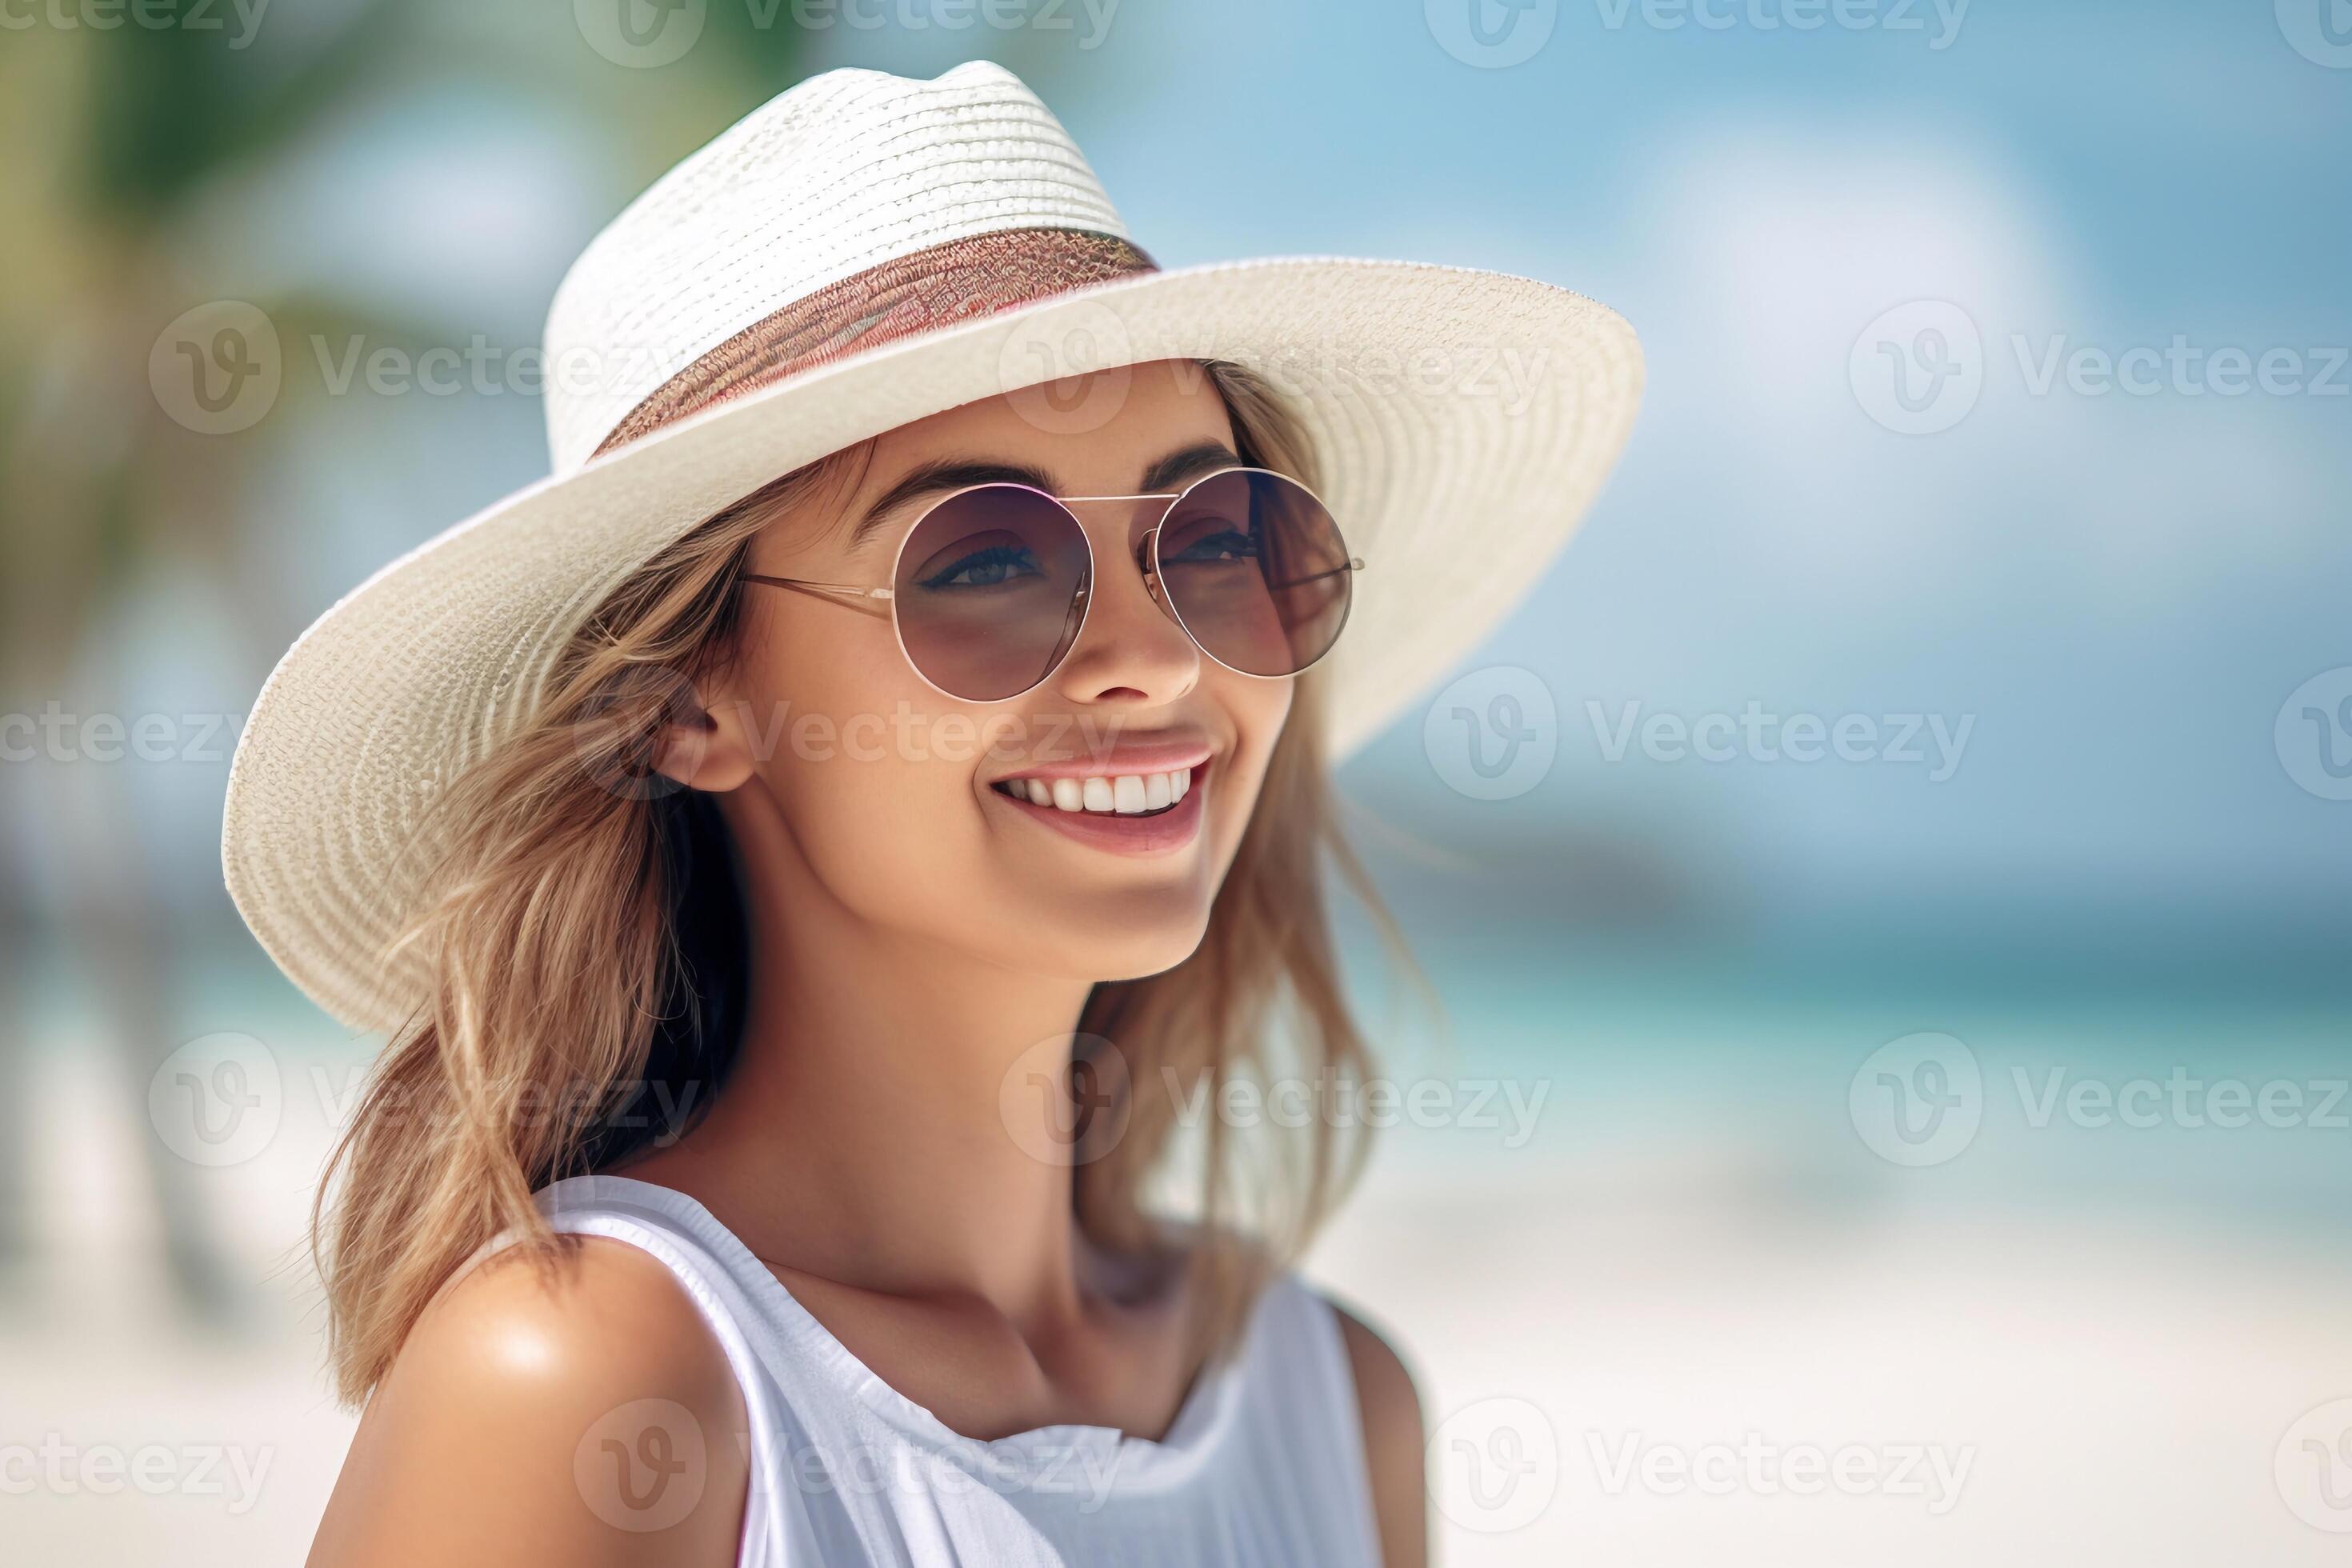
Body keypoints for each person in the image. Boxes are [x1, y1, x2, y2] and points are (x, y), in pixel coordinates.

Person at [222, 60, 1641, 1566]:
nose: (1158, 655)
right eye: (982, 563)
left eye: (1214, 537)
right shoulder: (593, 1387)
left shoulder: (1339, 1408)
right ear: (685, 704)